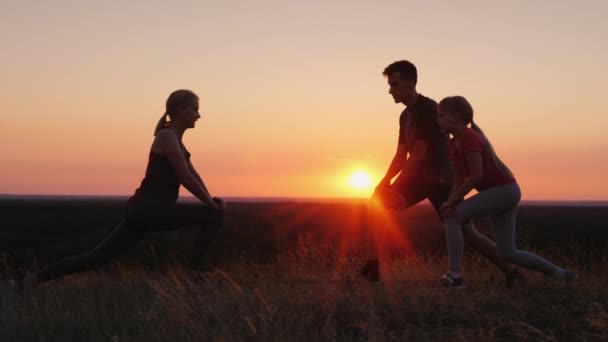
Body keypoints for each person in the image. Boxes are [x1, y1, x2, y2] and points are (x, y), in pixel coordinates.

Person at [20, 89, 225, 288]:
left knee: (96, 258)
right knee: (212, 215)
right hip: (150, 209)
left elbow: (194, 175)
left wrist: (211, 200)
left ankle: (31, 280)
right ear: (180, 110)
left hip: (144, 210)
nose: (198, 115)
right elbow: (185, 178)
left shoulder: (176, 141)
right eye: (194, 109)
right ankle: (194, 275)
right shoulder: (167, 137)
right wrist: (211, 206)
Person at [360, 60, 523, 287]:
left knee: (468, 234)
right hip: (420, 179)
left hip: (441, 180)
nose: (390, 90)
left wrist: (395, 185)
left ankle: (511, 271)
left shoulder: (428, 110)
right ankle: (373, 266)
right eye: (390, 85)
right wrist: (384, 182)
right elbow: (400, 155)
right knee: (378, 200)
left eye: (395, 84)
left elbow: (417, 156)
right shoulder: (405, 117)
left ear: (411, 83)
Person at [436, 95, 576, 288]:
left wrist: (453, 203)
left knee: (453, 218)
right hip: (503, 193)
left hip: (504, 192)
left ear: (457, 117)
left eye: (442, 115)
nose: (438, 120)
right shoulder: (454, 144)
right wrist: (452, 200)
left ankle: (455, 276)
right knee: (507, 253)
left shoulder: (469, 137)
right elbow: (460, 177)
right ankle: (562, 275)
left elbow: (476, 175)